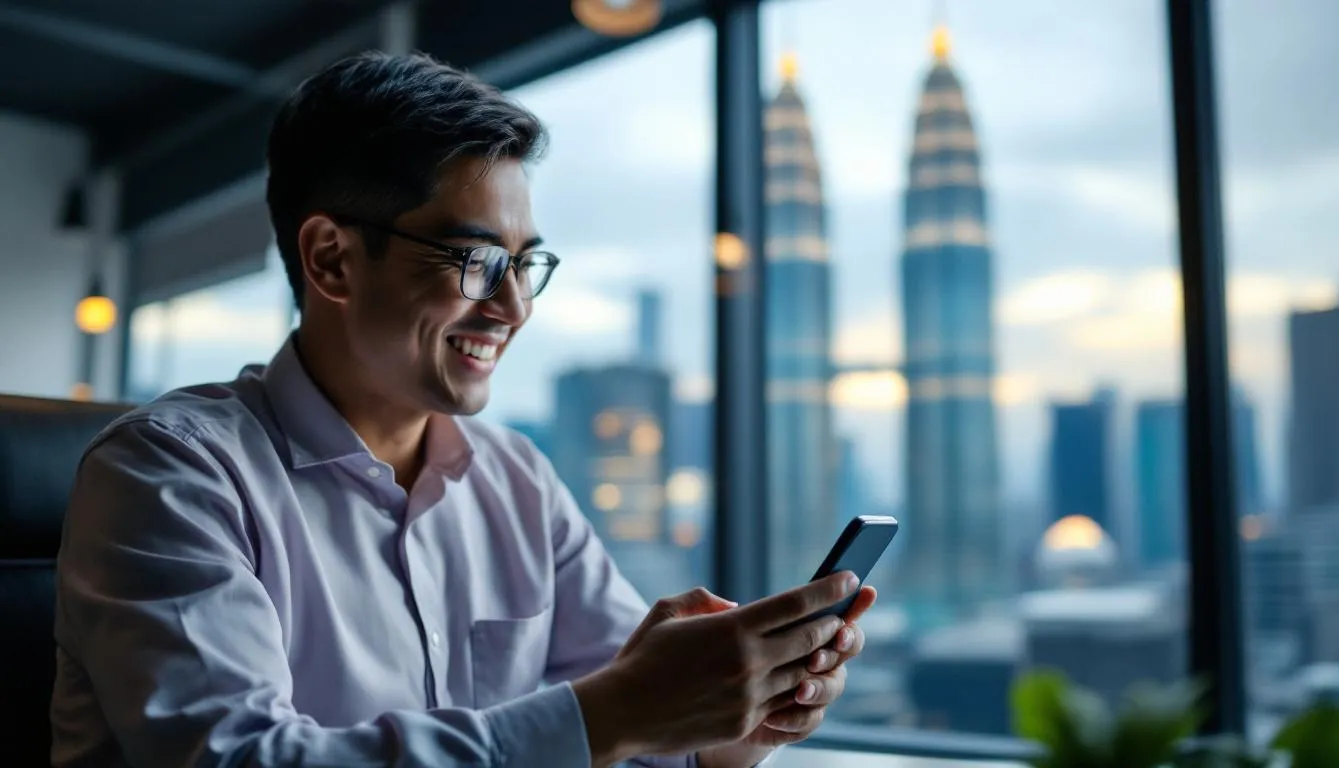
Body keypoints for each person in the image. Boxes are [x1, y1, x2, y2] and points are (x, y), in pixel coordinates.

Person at [51, 52, 877, 768]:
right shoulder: (169, 475)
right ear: (332, 259)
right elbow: (237, 759)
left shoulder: (515, 477)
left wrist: (738, 715)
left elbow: (643, 729)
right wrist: (615, 712)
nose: (514, 307)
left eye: (526, 264)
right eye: (478, 260)